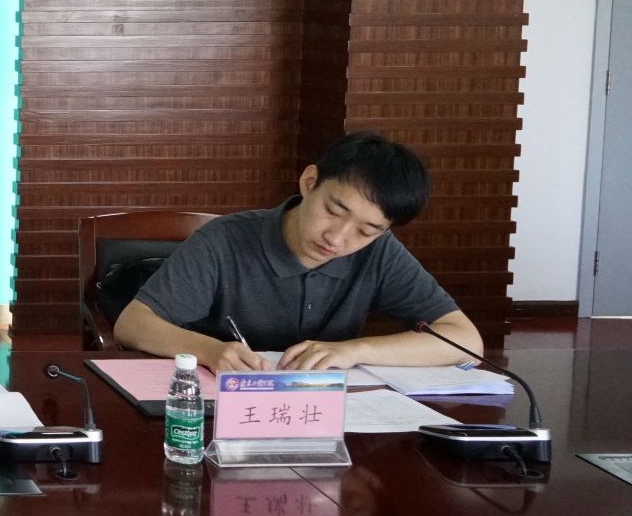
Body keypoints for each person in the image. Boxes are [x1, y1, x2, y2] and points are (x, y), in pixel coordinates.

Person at [114, 131, 484, 371]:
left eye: (366, 230)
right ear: (309, 182)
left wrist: (354, 351)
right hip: (220, 412)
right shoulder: (223, 241)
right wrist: (209, 351)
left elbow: (466, 341)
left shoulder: (379, 252)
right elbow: (133, 324)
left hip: (327, 419)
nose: (337, 238)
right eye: (334, 211)